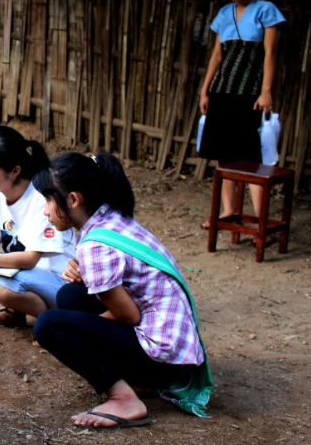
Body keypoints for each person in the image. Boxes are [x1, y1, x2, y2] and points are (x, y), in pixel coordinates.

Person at [32, 152, 213, 429]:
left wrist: (79, 331)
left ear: (73, 200)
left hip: (164, 357)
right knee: (69, 296)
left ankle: (123, 398)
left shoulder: (94, 246)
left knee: (48, 326)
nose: (44, 211)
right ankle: (142, 381)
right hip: (176, 345)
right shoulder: (110, 216)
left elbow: (129, 317)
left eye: (47, 200)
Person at [0, 126, 75, 328]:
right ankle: (17, 312)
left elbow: (29, 260)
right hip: (27, 278)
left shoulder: (39, 199)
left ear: (15, 171)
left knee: (1, 286)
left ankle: (51, 322)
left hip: (60, 284)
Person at [198, 0, 286, 229]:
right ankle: (228, 211)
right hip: (222, 91)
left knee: (252, 158)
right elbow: (217, 55)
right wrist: (205, 91)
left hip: (250, 95)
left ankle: (260, 220)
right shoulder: (224, 14)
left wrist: (266, 91)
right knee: (225, 155)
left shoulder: (266, 11)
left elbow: (270, 54)